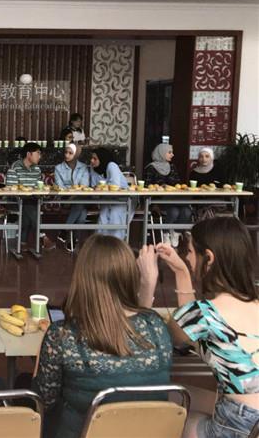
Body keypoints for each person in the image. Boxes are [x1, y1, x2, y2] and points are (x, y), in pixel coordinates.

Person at [33, 235, 172, 438]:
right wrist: (148, 284)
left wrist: (43, 352)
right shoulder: (156, 326)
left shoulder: (61, 336)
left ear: (82, 278)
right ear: (130, 276)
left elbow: (43, 402)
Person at [145, 217, 259, 438]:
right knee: (180, 395)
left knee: (166, 414)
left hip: (239, 423)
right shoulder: (254, 303)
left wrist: (160, 279)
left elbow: (172, 337)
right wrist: (182, 272)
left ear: (208, 258)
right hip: (250, 419)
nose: (187, 258)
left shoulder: (204, 314)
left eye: (189, 252)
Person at [6, 142, 55, 252]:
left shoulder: (37, 169)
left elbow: (38, 187)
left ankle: (22, 242)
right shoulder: (15, 167)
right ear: (29, 154)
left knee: (30, 207)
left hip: (32, 201)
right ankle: (42, 236)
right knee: (29, 206)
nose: (40, 156)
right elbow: (11, 189)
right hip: (15, 201)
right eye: (38, 153)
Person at [144, 143, 193, 244]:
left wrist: (174, 187)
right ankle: (165, 233)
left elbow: (178, 183)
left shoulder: (172, 167)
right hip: (159, 200)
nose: (172, 155)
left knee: (187, 211)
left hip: (174, 198)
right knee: (174, 212)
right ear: (161, 153)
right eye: (169, 152)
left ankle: (176, 232)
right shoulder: (151, 168)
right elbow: (147, 186)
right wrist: (160, 187)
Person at [54, 143, 89, 251]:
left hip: (79, 197)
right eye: (66, 152)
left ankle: (65, 231)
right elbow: (60, 186)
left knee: (80, 208)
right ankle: (74, 239)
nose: (67, 155)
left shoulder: (83, 167)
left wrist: (74, 193)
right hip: (66, 198)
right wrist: (73, 192)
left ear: (76, 154)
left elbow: (85, 185)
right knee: (82, 211)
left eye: (70, 153)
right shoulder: (58, 168)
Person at [89, 147, 129, 240]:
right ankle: (101, 243)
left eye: (95, 159)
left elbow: (115, 186)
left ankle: (116, 243)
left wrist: (100, 188)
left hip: (123, 199)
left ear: (102, 159)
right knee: (103, 216)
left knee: (115, 214)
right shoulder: (94, 169)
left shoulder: (111, 166)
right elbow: (94, 187)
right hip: (106, 199)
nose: (91, 161)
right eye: (91, 158)